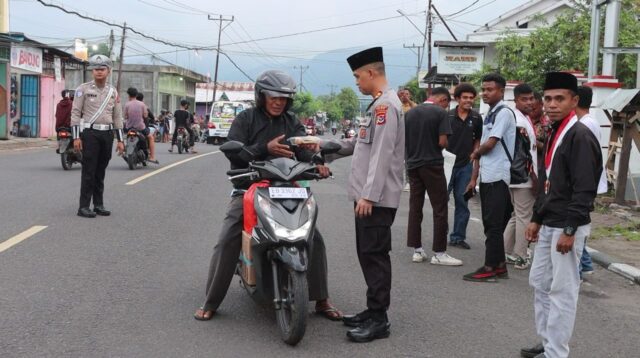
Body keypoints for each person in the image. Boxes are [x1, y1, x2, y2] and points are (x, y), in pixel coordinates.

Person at [193, 70, 341, 322]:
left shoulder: (292, 122)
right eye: (273, 97)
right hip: (250, 187)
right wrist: (264, 148)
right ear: (261, 96)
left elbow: (304, 151)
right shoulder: (246, 119)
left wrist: (317, 162)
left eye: (284, 98)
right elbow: (233, 153)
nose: (278, 102)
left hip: (287, 188)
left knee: (313, 236)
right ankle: (211, 300)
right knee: (229, 235)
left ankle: (321, 299)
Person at [324, 47, 404, 343]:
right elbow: (361, 145)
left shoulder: (386, 107)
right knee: (366, 253)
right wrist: (322, 148)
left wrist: (368, 196)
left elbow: (382, 155)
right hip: (368, 197)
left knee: (375, 255)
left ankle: (379, 319)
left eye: (358, 76)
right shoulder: (377, 105)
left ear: (372, 73)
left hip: (376, 199)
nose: (356, 82)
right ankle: (372, 311)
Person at [521, 72, 602, 358]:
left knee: (562, 292)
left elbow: (584, 189)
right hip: (549, 221)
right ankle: (547, 344)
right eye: (548, 99)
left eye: (560, 98)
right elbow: (549, 183)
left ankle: (557, 353)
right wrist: (536, 218)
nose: (552, 104)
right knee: (540, 284)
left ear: (574, 100)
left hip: (568, 225)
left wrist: (570, 230)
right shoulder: (556, 130)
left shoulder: (580, 135)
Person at [462, 73, 516, 282]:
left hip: (498, 177)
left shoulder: (504, 113)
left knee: (493, 225)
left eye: (490, 89)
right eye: (483, 89)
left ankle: (489, 267)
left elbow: (490, 143)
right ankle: (500, 265)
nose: (485, 93)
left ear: (501, 91)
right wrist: (474, 177)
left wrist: (475, 153)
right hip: (489, 176)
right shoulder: (490, 113)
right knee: (492, 223)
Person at [405, 87, 463, 266]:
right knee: (440, 207)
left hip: (413, 164)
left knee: (415, 207)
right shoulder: (440, 113)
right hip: (432, 164)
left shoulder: (409, 113)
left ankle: (417, 250)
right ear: (443, 100)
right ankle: (439, 252)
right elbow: (442, 141)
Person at [70, 54, 124, 218]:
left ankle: (98, 204)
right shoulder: (83, 89)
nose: (99, 72)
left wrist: (121, 140)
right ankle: (83, 206)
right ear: (92, 71)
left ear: (108, 71)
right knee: (89, 170)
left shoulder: (113, 92)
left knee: (101, 170)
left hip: (107, 134)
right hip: (90, 134)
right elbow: (75, 113)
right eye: (96, 69)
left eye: (102, 69)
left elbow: (117, 117)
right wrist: (76, 137)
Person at [503, 83, 538, 270]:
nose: (529, 102)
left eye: (531, 98)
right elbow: (521, 154)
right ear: (515, 100)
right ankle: (521, 255)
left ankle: (506, 251)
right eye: (524, 99)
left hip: (516, 176)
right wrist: (532, 177)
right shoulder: (518, 121)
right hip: (523, 176)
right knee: (524, 216)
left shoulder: (522, 117)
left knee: (516, 215)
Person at [575, 85, 607, 278]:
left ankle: (581, 265)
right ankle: (585, 263)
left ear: (575, 100)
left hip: (586, 183)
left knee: (578, 223)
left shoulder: (584, 125)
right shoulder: (589, 122)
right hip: (590, 182)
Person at [447, 83, 482, 250]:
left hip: (465, 166)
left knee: (462, 201)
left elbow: (478, 141)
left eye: (471, 97)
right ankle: (440, 235)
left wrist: (475, 157)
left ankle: (457, 237)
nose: (469, 100)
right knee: (441, 201)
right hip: (446, 165)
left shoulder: (476, 118)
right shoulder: (446, 117)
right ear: (457, 99)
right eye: (465, 97)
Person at [124, 88, 158, 163]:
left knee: (124, 138)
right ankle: (152, 157)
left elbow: (126, 116)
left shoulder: (127, 104)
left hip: (128, 127)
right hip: (140, 127)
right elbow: (145, 115)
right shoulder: (142, 104)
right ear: (136, 95)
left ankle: (124, 151)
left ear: (128, 95)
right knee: (151, 137)